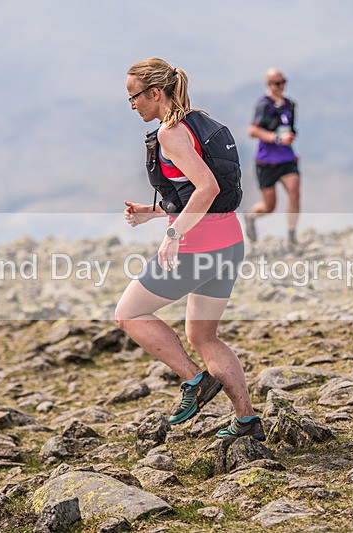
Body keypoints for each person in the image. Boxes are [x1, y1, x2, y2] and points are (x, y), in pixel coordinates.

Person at [114, 57, 265, 442]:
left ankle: (194, 382)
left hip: (197, 247)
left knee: (129, 314)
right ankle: (247, 420)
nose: (132, 105)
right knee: (203, 336)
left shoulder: (170, 132)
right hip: (229, 242)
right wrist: (153, 213)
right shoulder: (200, 121)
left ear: (154, 92)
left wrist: (173, 234)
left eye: (134, 97)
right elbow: (193, 191)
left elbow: (207, 188)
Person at [244, 68, 301, 248]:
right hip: (267, 161)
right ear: (269, 85)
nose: (281, 86)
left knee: (294, 193)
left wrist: (290, 145)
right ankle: (251, 216)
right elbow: (252, 130)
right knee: (269, 207)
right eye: (277, 83)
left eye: (284, 81)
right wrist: (275, 138)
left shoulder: (290, 105)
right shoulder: (264, 105)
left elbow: (289, 130)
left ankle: (291, 235)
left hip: (287, 159)